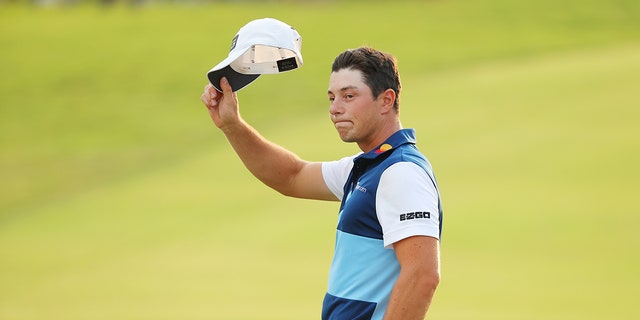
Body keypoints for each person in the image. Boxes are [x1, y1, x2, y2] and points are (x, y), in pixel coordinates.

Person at [200, 46, 443, 320]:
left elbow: (423, 275)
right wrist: (232, 125)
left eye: (349, 96)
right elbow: (291, 176)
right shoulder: (368, 166)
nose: (335, 109)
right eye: (332, 98)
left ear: (386, 100)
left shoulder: (401, 173)